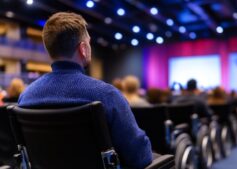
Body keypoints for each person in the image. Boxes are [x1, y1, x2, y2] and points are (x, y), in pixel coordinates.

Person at [18, 12, 152, 168]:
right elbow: (138, 156)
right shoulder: (106, 94)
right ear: (83, 48)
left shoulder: (26, 97)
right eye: (88, 42)